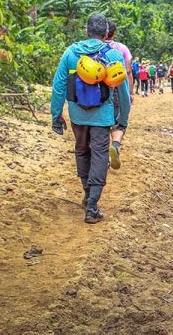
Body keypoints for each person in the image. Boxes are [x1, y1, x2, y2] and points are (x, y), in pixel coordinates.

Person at [51, 14, 131, 224]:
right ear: (106, 33)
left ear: (86, 31)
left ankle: (88, 195)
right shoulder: (113, 55)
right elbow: (122, 89)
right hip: (103, 117)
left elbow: (59, 85)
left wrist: (56, 114)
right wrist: (124, 115)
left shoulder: (71, 52)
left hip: (77, 114)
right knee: (99, 155)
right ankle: (93, 206)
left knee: (81, 151)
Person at [105, 21, 133, 170]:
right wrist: (130, 93)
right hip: (116, 88)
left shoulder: (93, 48)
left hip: (98, 89)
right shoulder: (121, 49)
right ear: (114, 33)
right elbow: (127, 72)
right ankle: (115, 145)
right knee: (120, 123)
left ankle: (102, 156)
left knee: (102, 122)